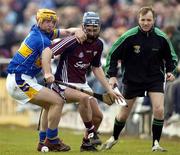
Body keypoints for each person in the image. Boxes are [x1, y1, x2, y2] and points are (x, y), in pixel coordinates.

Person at [6, 8, 86, 152]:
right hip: (19, 80)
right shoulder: (41, 39)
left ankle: (43, 142)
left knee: (49, 105)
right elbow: (45, 58)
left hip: (20, 79)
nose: (50, 25)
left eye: (52, 22)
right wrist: (48, 74)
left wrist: (79, 30)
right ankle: (52, 140)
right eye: (47, 21)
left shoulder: (41, 32)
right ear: (39, 21)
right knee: (58, 101)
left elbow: (67, 31)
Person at [41, 11, 123, 152]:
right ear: (83, 27)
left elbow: (96, 68)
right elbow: (47, 52)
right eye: (88, 30)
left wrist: (109, 89)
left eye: (95, 29)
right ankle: (92, 131)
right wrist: (47, 72)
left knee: (98, 117)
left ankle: (86, 143)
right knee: (84, 98)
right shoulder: (72, 40)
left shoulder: (98, 44)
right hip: (62, 84)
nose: (91, 33)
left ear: (100, 28)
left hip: (82, 84)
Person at [101, 6, 178, 152]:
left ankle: (155, 143)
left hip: (154, 78)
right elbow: (112, 55)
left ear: (154, 20)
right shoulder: (128, 36)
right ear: (138, 20)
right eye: (143, 20)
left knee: (159, 110)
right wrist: (111, 75)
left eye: (149, 20)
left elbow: (171, 58)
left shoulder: (161, 37)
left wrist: (170, 71)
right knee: (123, 114)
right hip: (132, 79)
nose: (146, 23)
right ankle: (114, 137)